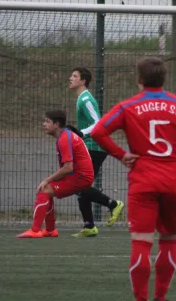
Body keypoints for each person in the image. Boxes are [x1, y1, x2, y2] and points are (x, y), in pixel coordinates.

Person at [91, 57, 176, 301]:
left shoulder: (128, 106)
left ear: (139, 80)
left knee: (141, 241)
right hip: (174, 181)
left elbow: (98, 131)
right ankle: (160, 297)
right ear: (163, 79)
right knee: (169, 238)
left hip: (143, 182)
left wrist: (120, 154)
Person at [16, 110, 95, 238]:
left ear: (57, 124)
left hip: (80, 177)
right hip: (78, 175)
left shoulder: (64, 138)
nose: (44, 124)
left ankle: (35, 231)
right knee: (47, 190)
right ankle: (50, 230)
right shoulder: (64, 136)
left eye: (47, 121)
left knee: (44, 189)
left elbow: (68, 168)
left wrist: (47, 180)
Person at [69, 67, 124, 238]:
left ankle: (113, 204)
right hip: (90, 147)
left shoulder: (85, 99)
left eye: (74, 76)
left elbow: (98, 123)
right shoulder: (81, 98)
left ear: (83, 81)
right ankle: (89, 226)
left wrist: (82, 133)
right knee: (80, 186)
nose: (70, 78)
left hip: (95, 147)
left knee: (80, 185)